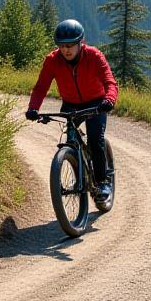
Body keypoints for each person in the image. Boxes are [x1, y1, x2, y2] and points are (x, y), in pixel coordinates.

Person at [25, 19, 118, 202]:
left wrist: (109, 100)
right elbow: (41, 87)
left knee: (95, 139)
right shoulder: (52, 61)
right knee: (71, 142)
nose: (66, 50)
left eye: (70, 45)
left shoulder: (94, 56)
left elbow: (110, 82)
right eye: (62, 46)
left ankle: (102, 182)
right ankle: (79, 180)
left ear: (80, 42)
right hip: (70, 104)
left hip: (96, 103)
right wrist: (33, 108)